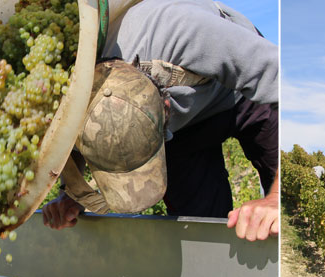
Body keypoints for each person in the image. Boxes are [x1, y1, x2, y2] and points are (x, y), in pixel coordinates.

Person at [42, 0, 280, 242]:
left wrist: (276, 197)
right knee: (197, 233)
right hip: (185, 129)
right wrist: (73, 194)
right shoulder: (66, 86)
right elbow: (76, 135)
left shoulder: (184, 30)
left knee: (275, 216)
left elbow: (277, 77)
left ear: (166, 107)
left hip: (240, 94)